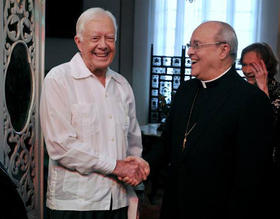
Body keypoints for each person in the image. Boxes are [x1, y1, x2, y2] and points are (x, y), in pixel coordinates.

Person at [145, 21, 275, 219]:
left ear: (223, 50)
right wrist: (142, 167)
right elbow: (166, 143)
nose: (189, 52)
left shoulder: (251, 100)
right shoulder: (185, 91)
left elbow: (251, 178)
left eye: (197, 45)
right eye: (190, 45)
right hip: (175, 207)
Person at [40, 7, 149, 219]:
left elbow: (133, 143)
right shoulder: (58, 79)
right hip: (75, 205)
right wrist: (117, 167)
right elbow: (61, 146)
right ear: (78, 42)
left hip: (117, 202)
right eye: (95, 38)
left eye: (110, 38)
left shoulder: (122, 85)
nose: (103, 45)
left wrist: (135, 174)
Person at [240, 42, 280, 167]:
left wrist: (262, 88)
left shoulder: (277, 91)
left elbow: (268, 126)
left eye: (252, 65)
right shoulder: (241, 90)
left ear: (266, 66)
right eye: (244, 65)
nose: (246, 71)